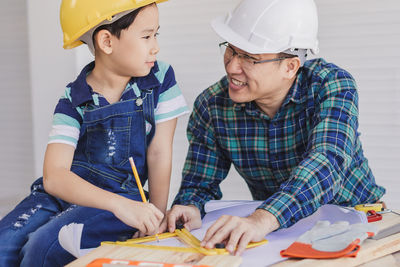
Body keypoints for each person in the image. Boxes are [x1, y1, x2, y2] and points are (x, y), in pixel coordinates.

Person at [162, 0, 386, 256]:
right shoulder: (212, 105)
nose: (232, 66)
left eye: (249, 58)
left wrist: (263, 218)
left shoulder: (331, 85)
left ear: (290, 66)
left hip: (358, 224)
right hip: (282, 234)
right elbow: (200, 184)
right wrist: (189, 205)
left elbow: (326, 163)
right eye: (231, 50)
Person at [0, 0, 189, 266]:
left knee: (40, 249)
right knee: (3, 245)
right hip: (66, 195)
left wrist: (154, 214)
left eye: (156, 34)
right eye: (147, 36)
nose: (155, 46)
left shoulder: (160, 80)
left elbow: (159, 152)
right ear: (107, 42)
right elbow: (55, 177)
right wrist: (118, 205)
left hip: (126, 200)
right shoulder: (74, 97)